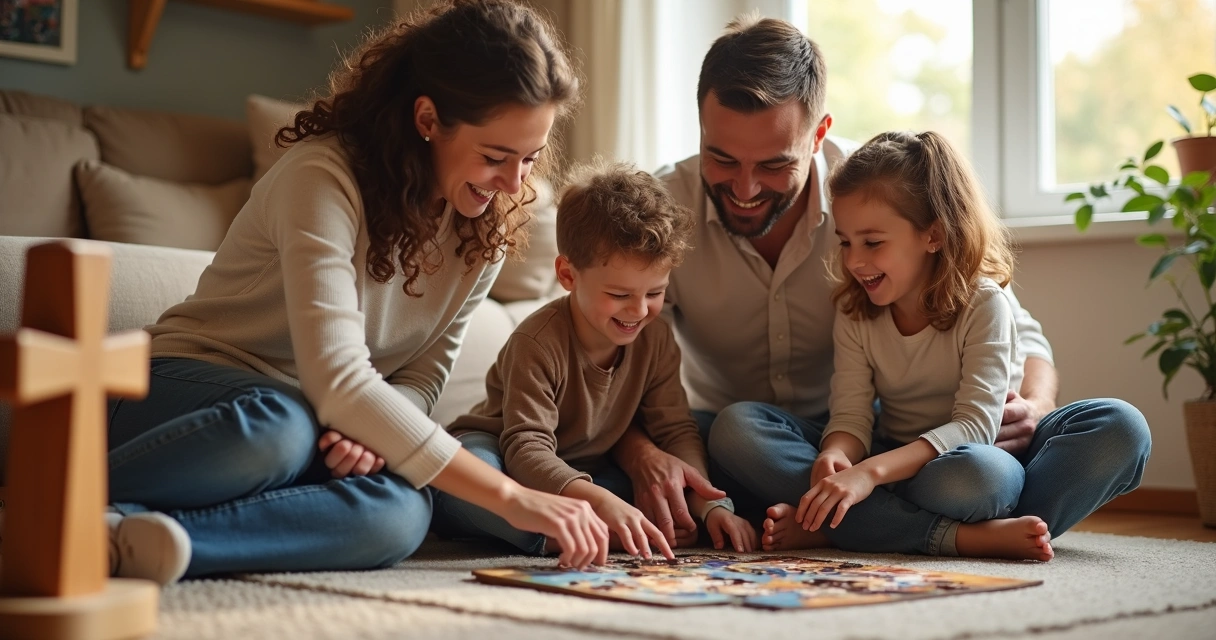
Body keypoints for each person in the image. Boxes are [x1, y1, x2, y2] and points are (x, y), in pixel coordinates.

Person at [100, 0, 609, 585]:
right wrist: (510, 497)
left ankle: (133, 538)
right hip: (184, 396)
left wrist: (369, 430)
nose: (515, 184)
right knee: (279, 426)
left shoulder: (486, 228)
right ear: (427, 119)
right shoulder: (322, 176)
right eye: (495, 156)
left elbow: (421, 379)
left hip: (313, 423)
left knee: (401, 511)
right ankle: (54, 497)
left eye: (531, 157)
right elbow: (338, 380)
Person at [611, 14, 1151, 555]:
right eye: (722, 158)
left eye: (774, 164)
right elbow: (601, 364)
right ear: (701, 124)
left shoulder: (875, 190)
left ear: (818, 134)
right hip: (780, 440)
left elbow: (1022, 336)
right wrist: (642, 455)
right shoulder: (660, 213)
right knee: (731, 434)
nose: (745, 188)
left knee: (1083, 442)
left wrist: (1031, 407)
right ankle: (954, 530)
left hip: (915, 438)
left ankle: (853, 520)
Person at [432, 161, 757, 558]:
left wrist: (710, 507)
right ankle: (569, 534)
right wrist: (600, 503)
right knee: (464, 487)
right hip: (502, 453)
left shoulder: (655, 339)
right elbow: (525, 448)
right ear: (568, 275)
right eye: (620, 295)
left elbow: (674, 431)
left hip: (584, 468)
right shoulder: (536, 341)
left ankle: (593, 522)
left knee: (647, 493)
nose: (638, 311)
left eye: (654, 293)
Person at [765, 130, 1051, 560]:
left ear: (932, 235)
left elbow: (975, 427)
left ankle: (846, 527)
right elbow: (851, 414)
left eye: (873, 243)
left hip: (967, 462)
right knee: (738, 429)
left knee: (984, 476)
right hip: (892, 455)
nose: (854, 261)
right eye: (845, 242)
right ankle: (963, 536)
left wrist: (868, 475)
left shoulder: (984, 302)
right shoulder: (855, 309)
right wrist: (836, 454)